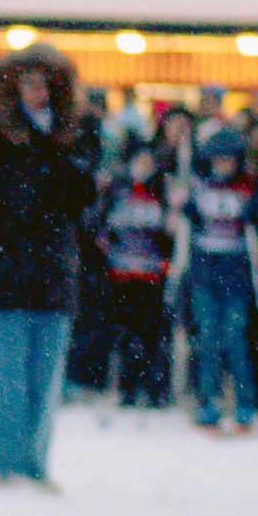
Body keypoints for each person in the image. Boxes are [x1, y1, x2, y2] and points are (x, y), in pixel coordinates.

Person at [0, 46, 94, 488]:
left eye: (46, 83)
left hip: (54, 272)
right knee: (6, 375)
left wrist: (58, 155)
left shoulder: (75, 137)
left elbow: (84, 201)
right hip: (3, 271)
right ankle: (5, 465)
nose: (37, 92)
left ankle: (35, 464)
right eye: (29, 82)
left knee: (45, 380)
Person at [183, 128, 258, 432]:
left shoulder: (248, 188)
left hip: (236, 274)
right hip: (205, 273)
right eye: (218, 160)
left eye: (228, 160)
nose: (223, 165)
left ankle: (244, 403)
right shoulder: (199, 186)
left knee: (235, 339)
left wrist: (254, 209)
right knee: (207, 338)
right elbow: (188, 221)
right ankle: (209, 401)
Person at [95, 144, 176, 408]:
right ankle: (126, 386)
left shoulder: (160, 193)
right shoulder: (117, 191)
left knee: (151, 333)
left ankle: (154, 387)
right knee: (124, 332)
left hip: (151, 273)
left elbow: (168, 234)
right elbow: (103, 226)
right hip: (120, 272)